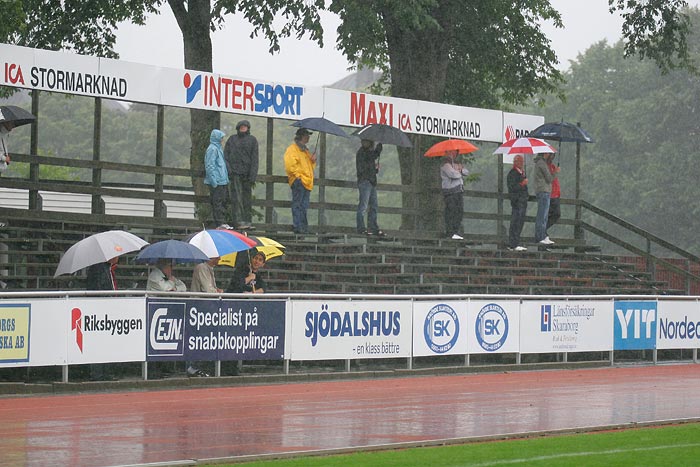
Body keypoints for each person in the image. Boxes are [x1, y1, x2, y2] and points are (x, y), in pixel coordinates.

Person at [224, 120, 259, 230]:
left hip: (247, 175)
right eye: (241, 127)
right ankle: (238, 221)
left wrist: (253, 175)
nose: (243, 129)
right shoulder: (232, 139)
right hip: (235, 174)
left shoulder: (252, 140)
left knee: (246, 200)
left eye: (245, 127)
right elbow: (226, 156)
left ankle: (247, 221)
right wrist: (229, 171)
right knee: (236, 199)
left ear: (248, 128)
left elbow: (255, 159)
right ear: (238, 128)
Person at [283, 128, 317, 234]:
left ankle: (303, 227)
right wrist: (298, 176)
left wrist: (313, 160)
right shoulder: (292, 149)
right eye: (307, 135)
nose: (308, 137)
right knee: (298, 204)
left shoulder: (305, 151)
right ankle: (298, 226)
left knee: (303, 205)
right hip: (300, 181)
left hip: (306, 181)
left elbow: (310, 167)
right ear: (301, 136)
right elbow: (290, 165)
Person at [356, 139, 386, 237]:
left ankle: (373, 227)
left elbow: (368, 166)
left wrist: (375, 169)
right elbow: (366, 165)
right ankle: (361, 228)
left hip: (371, 182)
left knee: (373, 206)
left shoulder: (367, 153)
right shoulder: (362, 153)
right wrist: (378, 149)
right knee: (363, 206)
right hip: (366, 181)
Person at [204, 129, 232, 230]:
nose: (222, 140)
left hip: (222, 180)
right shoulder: (212, 149)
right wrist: (213, 181)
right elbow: (209, 166)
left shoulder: (218, 148)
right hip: (217, 181)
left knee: (222, 201)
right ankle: (219, 223)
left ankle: (222, 222)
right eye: (221, 138)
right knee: (217, 202)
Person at [440, 150, 469, 240]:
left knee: (459, 212)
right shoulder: (445, 164)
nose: (454, 154)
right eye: (452, 152)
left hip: (458, 191)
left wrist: (459, 170)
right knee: (451, 212)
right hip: (450, 192)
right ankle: (450, 232)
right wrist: (459, 171)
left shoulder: (456, 163)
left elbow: (466, 172)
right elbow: (453, 174)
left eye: (455, 152)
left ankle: (456, 231)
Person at [533, 152, 559, 245]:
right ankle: (540, 236)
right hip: (544, 191)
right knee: (542, 216)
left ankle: (543, 235)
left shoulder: (540, 163)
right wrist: (555, 172)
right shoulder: (542, 163)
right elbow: (549, 178)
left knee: (544, 216)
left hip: (544, 191)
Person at [506, 155, 529, 251]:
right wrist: (522, 184)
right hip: (517, 201)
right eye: (520, 161)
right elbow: (512, 188)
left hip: (522, 201)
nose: (522, 163)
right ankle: (513, 243)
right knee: (516, 222)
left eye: (522, 161)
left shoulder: (522, 173)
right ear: (515, 162)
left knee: (520, 222)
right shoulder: (512, 173)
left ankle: (516, 242)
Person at [546, 153, 561, 237]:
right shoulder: (545, 166)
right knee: (553, 214)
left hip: (556, 194)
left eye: (553, 156)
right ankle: (543, 230)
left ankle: (543, 230)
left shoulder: (552, 166)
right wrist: (555, 172)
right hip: (551, 194)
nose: (552, 157)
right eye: (551, 155)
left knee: (556, 214)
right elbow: (549, 179)